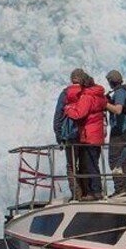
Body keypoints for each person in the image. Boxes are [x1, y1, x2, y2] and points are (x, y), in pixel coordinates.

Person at [64, 74, 107, 201]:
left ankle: (94, 192)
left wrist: (68, 109)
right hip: (97, 134)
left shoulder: (87, 97)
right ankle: (97, 190)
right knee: (94, 163)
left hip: (89, 134)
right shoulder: (99, 95)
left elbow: (79, 114)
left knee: (89, 164)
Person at [53, 68, 86, 200]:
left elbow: (58, 115)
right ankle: (88, 192)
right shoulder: (87, 93)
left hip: (69, 135)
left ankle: (76, 194)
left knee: (71, 165)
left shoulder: (65, 94)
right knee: (86, 163)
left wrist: (59, 135)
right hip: (86, 134)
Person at [104, 70, 126, 197]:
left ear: (111, 81)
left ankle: (120, 189)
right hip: (124, 129)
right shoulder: (123, 90)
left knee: (115, 159)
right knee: (120, 159)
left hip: (120, 130)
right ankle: (122, 189)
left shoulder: (120, 92)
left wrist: (104, 104)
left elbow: (118, 109)